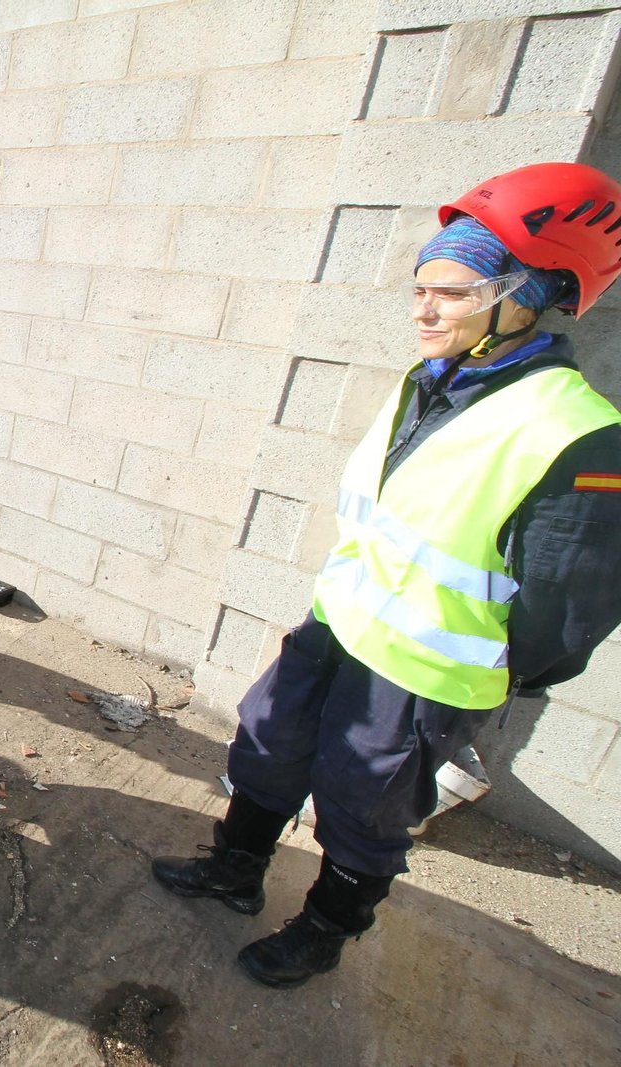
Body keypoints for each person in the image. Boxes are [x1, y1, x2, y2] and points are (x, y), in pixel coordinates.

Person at [152, 162, 621, 988]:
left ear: (530, 294)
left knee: (365, 809)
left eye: (451, 290)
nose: (423, 308)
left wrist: (471, 668)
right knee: (267, 744)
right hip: (337, 627)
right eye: (419, 287)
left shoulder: (576, 431)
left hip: (421, 670)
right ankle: (235, 871)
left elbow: (564, 617)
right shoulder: (428, 382)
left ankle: (326, 929)